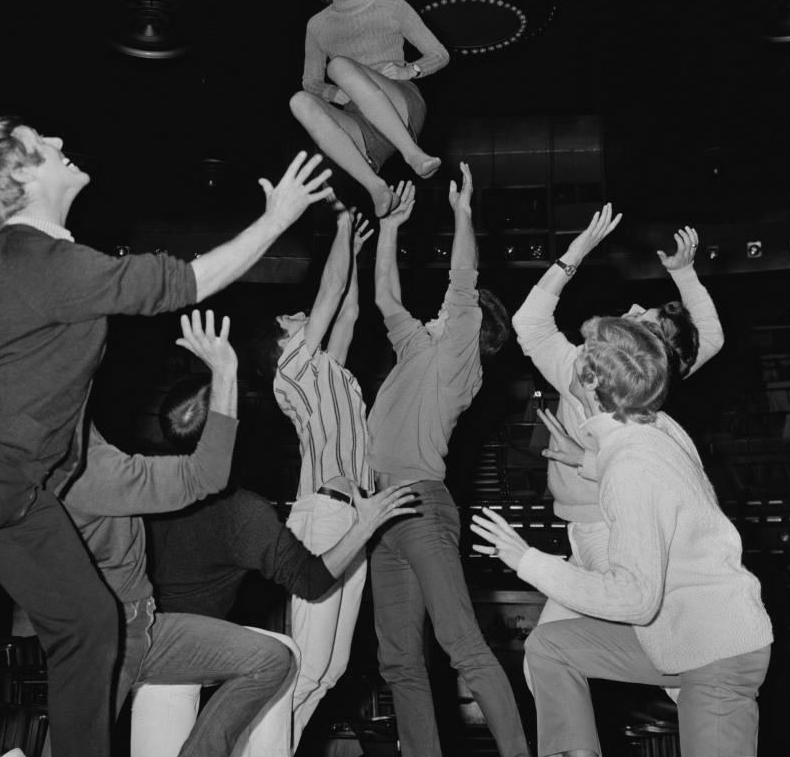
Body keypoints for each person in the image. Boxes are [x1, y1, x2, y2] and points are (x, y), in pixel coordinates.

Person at [0, 115, 331, 757]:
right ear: (19, 175)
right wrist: (278, 218)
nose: (57, 142)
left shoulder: (21, 262)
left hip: (20, 492)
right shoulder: (37, 256)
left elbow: (14, 356)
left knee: (88, 623)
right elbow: (183, 284)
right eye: (39, 144)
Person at [470, 315, 773, 757]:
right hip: (676, 639)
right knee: (551, 646)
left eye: (583, 356)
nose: (573, 358)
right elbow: (662, 479)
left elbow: (635, 599)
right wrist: (588, 463)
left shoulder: (631, 466)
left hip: (718, 653)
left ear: (590, 385)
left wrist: (527, 560)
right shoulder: (653, 428)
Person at [136, 375, 418, 757]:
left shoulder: (145, 484)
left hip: (139, 640)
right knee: (279, 657)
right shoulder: (241, 514)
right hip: (181, 658)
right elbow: (312, 580)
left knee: (281, 653)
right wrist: (364, 526)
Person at [366, 165, 530, 757]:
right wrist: (389, 228)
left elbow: (463, 280)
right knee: (398, 661)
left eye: (451, 310)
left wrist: (462, 215)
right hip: (378, 515)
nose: (438, 309)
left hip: (419, 505)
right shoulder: (420, 348)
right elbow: (385, 297)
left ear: (471, 325)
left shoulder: (462, 357)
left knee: (460, 642)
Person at [511, 213, 724, 629]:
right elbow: (711, 337)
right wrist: (684, 274)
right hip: (594, 524)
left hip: (603, 529)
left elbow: (531, 324)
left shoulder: (586, 372)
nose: (638, 308)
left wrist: (576, 253)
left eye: (645, 319)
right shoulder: (656, 375)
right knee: (548, 651)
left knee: (662, 648)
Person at [248, 203, 379, 749]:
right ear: (283, 330)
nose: (308, 314)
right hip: (323, 515)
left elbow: (346, 312)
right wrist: (342, 230)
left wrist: (356, 253)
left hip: (356, 519)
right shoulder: (291, 370)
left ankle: (276, 748)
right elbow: (328, 299)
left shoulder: (330, 370)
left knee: (331, 670)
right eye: (297, 315)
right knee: (308, 662)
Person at [290, 0, 450, 217]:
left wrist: (410, 69)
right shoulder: (317, 25)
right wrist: (333, 94)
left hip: (400, 106)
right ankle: (376, 187)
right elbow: (310, 82)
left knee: (338, 66)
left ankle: (413, 154)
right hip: (360, 122)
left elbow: (439, 53)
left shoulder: (393, 6)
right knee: (299, 101)